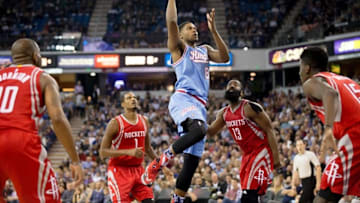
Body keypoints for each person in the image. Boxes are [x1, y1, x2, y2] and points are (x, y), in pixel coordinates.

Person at [141, 0, 229, 202]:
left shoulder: (205, 50)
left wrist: (214, 30)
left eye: (196, 28)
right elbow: (171, 22)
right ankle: (159, 161)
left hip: (200, 104)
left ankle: (176, 199)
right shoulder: (179, 49)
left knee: (191, 163)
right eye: (190, 28)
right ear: (181, 35)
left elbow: (224, 57)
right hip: (183, 97)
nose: (195, 30)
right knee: (200, 130)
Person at [0, 38, 83, 202]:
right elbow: (57, 119)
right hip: (19, 141)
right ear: (36, 56)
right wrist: (75, 160)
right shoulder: (43, 77)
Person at [299, 47, 360, 202]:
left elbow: (329, 93)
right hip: (353, 133)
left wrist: (328, 129)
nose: (299, 73)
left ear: (307, 68)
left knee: (325, 195)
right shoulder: (344, 80)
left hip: (355, 136)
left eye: (300, 67)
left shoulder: (310, 83)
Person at [207, 80, 280, 203]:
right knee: (252, 194)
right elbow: (210, 132)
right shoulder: (223, 113)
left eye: (235, 85)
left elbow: (269, 130)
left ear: (241, 92)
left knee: (249, 194)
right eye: (229, 85)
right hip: (247, 155)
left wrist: (276, 158)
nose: (231, 86)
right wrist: (195, 121)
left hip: (261, 151)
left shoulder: (250, 107)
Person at [99, 92, 164, 203]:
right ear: (123, 104)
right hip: (119, 170)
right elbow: (103, 152)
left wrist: (162, 165)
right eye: (129, 98)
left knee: (149, 200)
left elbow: (148, 149)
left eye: (134, 97)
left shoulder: (144, 121)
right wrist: (129, 152)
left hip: (138, 170)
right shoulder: (115, 123)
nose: (133, 99)